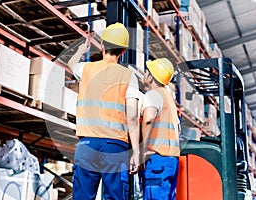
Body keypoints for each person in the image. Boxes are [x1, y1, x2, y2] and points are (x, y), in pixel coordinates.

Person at [67, 22, 140, 200]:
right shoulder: (128, 76)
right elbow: (132, 116)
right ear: (123, 52)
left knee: (82, 197)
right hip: (115, 146)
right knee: (115, 196)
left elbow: (71, 64)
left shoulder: (86, 69)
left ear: (102, 46)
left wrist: (81, 51)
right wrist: (136, 152)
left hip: (86, 145)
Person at [140, 58, 180, 200]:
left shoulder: (153, 94)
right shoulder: (168, 98)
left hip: (157, 160)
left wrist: (142, 150)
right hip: (170, 161)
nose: (144, 74)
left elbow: (148, 119)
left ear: (151, 77)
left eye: (146, 71)